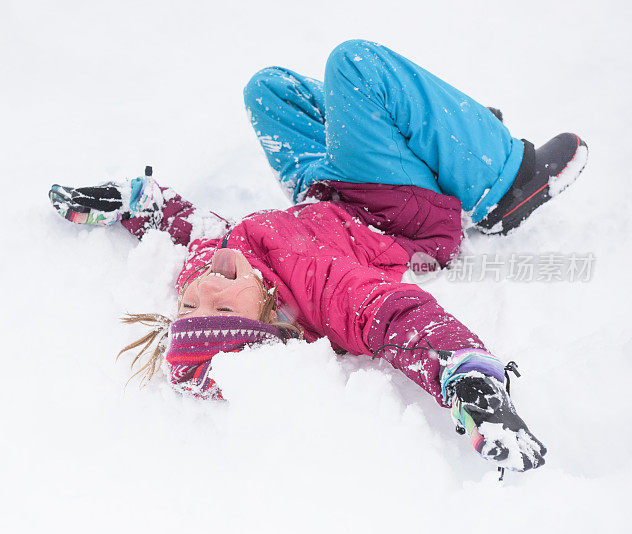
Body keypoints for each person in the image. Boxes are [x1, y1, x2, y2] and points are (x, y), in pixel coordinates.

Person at [47, 40, 589, 473]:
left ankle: (439, 137)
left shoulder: (216, 268)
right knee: (354, 65)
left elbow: (185, 227)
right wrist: (471, 384)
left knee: (268, 90)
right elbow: (404, 322)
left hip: (327, 192)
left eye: (189, 310)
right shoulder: (321, 289)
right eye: (220, 311)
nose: (201, 294)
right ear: (269, 315)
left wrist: (128, 203)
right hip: (396, 213)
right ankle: (499, 182)